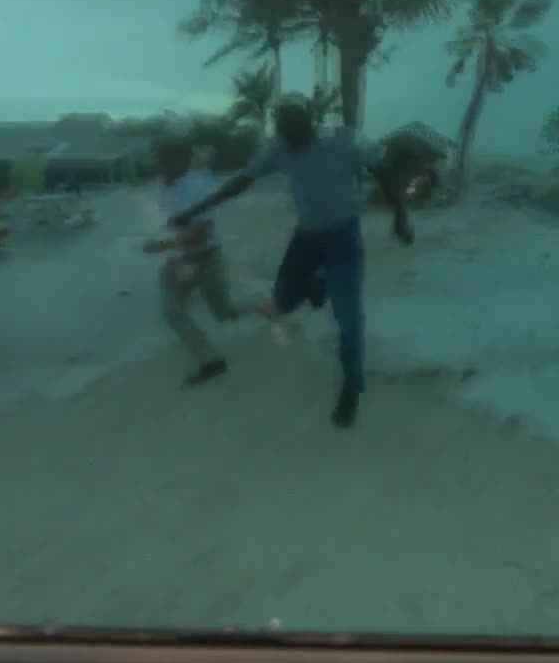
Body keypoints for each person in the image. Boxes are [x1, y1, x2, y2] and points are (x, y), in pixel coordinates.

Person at [169, 92, 413, 428]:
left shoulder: (341, 143)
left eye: (293, 125)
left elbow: (383, 170)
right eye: (282, 126)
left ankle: (352, 387)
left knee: (348, 317)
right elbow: (240, 183)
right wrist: (193, 210)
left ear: (310, 120)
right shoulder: (279, 151)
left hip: (343, 239)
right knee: (282, 301)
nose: (288, 133)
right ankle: (319, 283)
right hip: (306, 239)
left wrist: (401, 216)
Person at [144, 123, 269, 386]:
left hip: (206, 259)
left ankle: (263, 306)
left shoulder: (198, 188)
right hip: (179, 261)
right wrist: (160, 240)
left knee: (224, 313)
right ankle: (211, 360)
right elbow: (167, 223)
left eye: (169, 156)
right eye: (160, 156)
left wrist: (162, 245)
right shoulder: (164, 188)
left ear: (184, 158)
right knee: (172, 311)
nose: (163, 162)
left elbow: (200, 232)